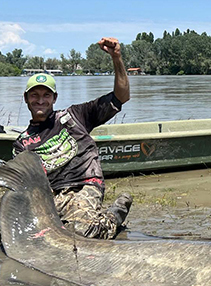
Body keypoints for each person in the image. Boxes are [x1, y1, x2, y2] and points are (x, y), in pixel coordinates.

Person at [13, 37, 132, 239]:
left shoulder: (75, 116)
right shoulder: (21, 144)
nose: (40, 100)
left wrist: (116, 58)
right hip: (50, 197)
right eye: (34, 95)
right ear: (26, 99)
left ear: (54, 98)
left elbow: (122, 96)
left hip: (84, 185)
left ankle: (114, 216)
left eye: (46, 95)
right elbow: (25, 185)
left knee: (82, 233)